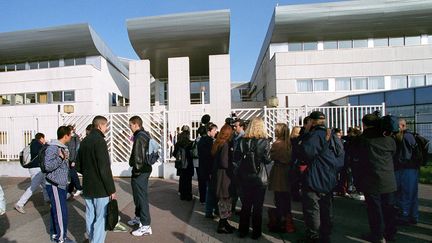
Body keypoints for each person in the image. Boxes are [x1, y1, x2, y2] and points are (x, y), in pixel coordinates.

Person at [352, 114, 397, 243]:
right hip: (389, 180)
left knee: (375, 210)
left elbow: (356, 158)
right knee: (389, 208)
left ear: (364, 124)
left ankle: (378, 235)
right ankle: (390, 234)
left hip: (370, 180)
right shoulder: (389, 140)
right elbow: (394, 154)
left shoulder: (362, 140)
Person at [300, 111, 339, 243]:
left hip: (314, 176)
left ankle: (313, 236)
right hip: (330, 176)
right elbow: (341, 156)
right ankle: (326, 234)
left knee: (313, 208)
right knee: (326, 207)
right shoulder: (333, 135)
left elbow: (306, 154)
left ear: (311, 121)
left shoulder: (314, 136)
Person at [76, 116, 116, 243]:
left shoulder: (84, 141)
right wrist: (111, 190)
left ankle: (91, 238)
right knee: (101, 218)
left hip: (88, 185)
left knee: (90, 215)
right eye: (106, 126)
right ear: (100, 126)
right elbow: (104, 168)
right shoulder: (100, 141)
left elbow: (78, 165)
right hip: (100, 188)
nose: (106, 128)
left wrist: (88, 174)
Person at [238, 117, 271, 240]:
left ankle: (243, 230)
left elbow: (237, 157)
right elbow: (267, 160)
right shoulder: (264, 141)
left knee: (246, 205)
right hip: (259, 177)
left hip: (245, 176)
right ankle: (256, 232)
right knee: (258, 207)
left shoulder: (242, 141)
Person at [45, 126, 74, 243]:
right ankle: (61, 238)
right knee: (61, 212)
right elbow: (48, 166)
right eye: (70, 134)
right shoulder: (53, 148)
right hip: (55, 184)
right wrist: (61, 159)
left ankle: (55, 234)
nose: (71, 136)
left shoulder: (62, 147)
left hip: (60, 184)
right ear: (65, 135)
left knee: (56, 211)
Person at [127, 116, 153, 236]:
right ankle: (138, 217)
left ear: (136, 124)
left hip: (141, 171)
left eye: (130, 125)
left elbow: (138, 157)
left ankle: (146, 225)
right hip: (144, 170)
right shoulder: (144, 134)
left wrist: (136, 171)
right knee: (138, 196)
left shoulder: (140, 136)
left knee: (141, 197)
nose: (130, 127)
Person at [268, 123, 295, 233]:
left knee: (278, 198)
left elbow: (272, 157)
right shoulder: (289, 144)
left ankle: (280, 220)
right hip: (288, 171)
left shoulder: (277, 144)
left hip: (278, 171)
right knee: (286, 198)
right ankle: (288, 220)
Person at [15, 133, 49, 214]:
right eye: (44, 138)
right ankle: (19, 204)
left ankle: (47, 200)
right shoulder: (36, 144)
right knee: (33, 187)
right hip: (36, 169)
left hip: (37, 168)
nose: (44, 140)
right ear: (41, 138)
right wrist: (46, 145)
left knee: (44, 184)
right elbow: (41, 152)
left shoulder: (34, 144)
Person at [394, 118, 420, 225]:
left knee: (404, 193)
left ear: (401, 126)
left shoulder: (404, 137)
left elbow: (403, 155)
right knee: (412, 194)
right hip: (412, 168)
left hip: (405, 168)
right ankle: (413, 215)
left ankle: (404, 215)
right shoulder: (410, 136)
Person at [212, 123, 236, 234]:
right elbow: (224, 162)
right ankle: (222, 225)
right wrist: (233, 165)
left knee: (223, 201)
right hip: (225, 176)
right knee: (225, 200)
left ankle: (224, 223)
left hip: (219, 175)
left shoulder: (218, 143)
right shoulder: (225, 144)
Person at [198, 122, 218, 218]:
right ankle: (209, 211)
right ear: (209, 131)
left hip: (203, 168)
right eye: (214, 130)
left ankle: (209, 210)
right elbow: (209, 158)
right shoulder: (209, 141)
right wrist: (210, 171)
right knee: (210, 191)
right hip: (209, 170)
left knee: (209, 190)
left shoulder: (202, 140)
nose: (216, 132)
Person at [173, 125, 194, 201]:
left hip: (181, 164)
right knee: (188, 180)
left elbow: (174, 153)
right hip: (189, 164)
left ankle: (182, 195)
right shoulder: (191, 143)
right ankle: (188, 195)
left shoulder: (178, 143)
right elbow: (193, 154)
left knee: (182, 179)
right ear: (188, 134)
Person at [230, 119, 246, 214]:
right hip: (235, 166)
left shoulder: (243, 138)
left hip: (240, 167)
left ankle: (245, 209)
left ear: (242, 126)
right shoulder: (235, 137)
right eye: (234, 126)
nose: (234, 128)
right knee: (235, 189)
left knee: (240, 190)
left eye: (236, 126)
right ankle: (232, 207)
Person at [66, 125, 82, 198]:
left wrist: (74, 160)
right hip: (68, 158)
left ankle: (79, 188)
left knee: (73, 173)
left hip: (73, 159)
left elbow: (77, 150)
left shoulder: (76, 138)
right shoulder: (69, 137)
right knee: (72, 174)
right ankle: (69, 190)